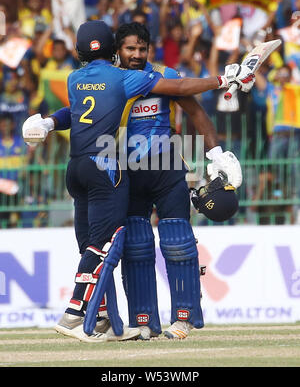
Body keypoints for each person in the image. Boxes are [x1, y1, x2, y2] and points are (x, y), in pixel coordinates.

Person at [22, 20, 255, 343]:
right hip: (126, 168)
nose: (136, 54)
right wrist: (49, 122)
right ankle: (143, 321)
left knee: (178, 244)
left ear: (150, 49)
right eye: (130, 48)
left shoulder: (163, 75)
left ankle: (184, 318)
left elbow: (195, 110)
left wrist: (216, 153)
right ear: (116, 50)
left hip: (168, 166)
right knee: (136, 247)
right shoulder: (118, 79)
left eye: (142, 49)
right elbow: (75, 110)